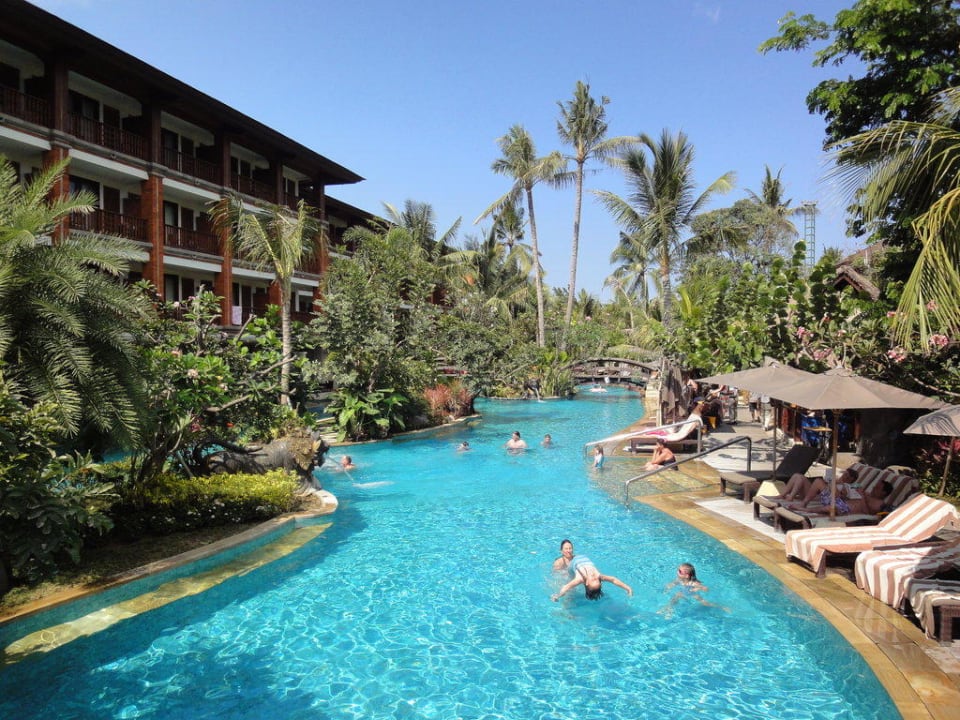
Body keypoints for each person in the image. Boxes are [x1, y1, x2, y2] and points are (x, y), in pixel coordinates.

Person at [551, 555, 633, 601]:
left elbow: (566, 587)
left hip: (572, 566)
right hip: (581, 557)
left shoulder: (580, 579)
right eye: (596, 580)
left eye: (593, 580)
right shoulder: (599, 576)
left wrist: (558, 596)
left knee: (569, 579)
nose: (594, 577)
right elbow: (613, 579)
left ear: (586, 583)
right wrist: (627, 588)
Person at [660, 563, 727, 616]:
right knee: (676, 597)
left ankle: (722, 607)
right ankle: (668, 608)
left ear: (686, 576)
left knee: (705, 603)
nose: (677, 572)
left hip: (693, 594)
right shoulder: (679, 579)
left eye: (680, 571)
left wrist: (696, 589)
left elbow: (706, 589)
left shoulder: (693, 583)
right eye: (678, 570)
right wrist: (668, 587)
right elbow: (674, 583)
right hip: (683, 592)